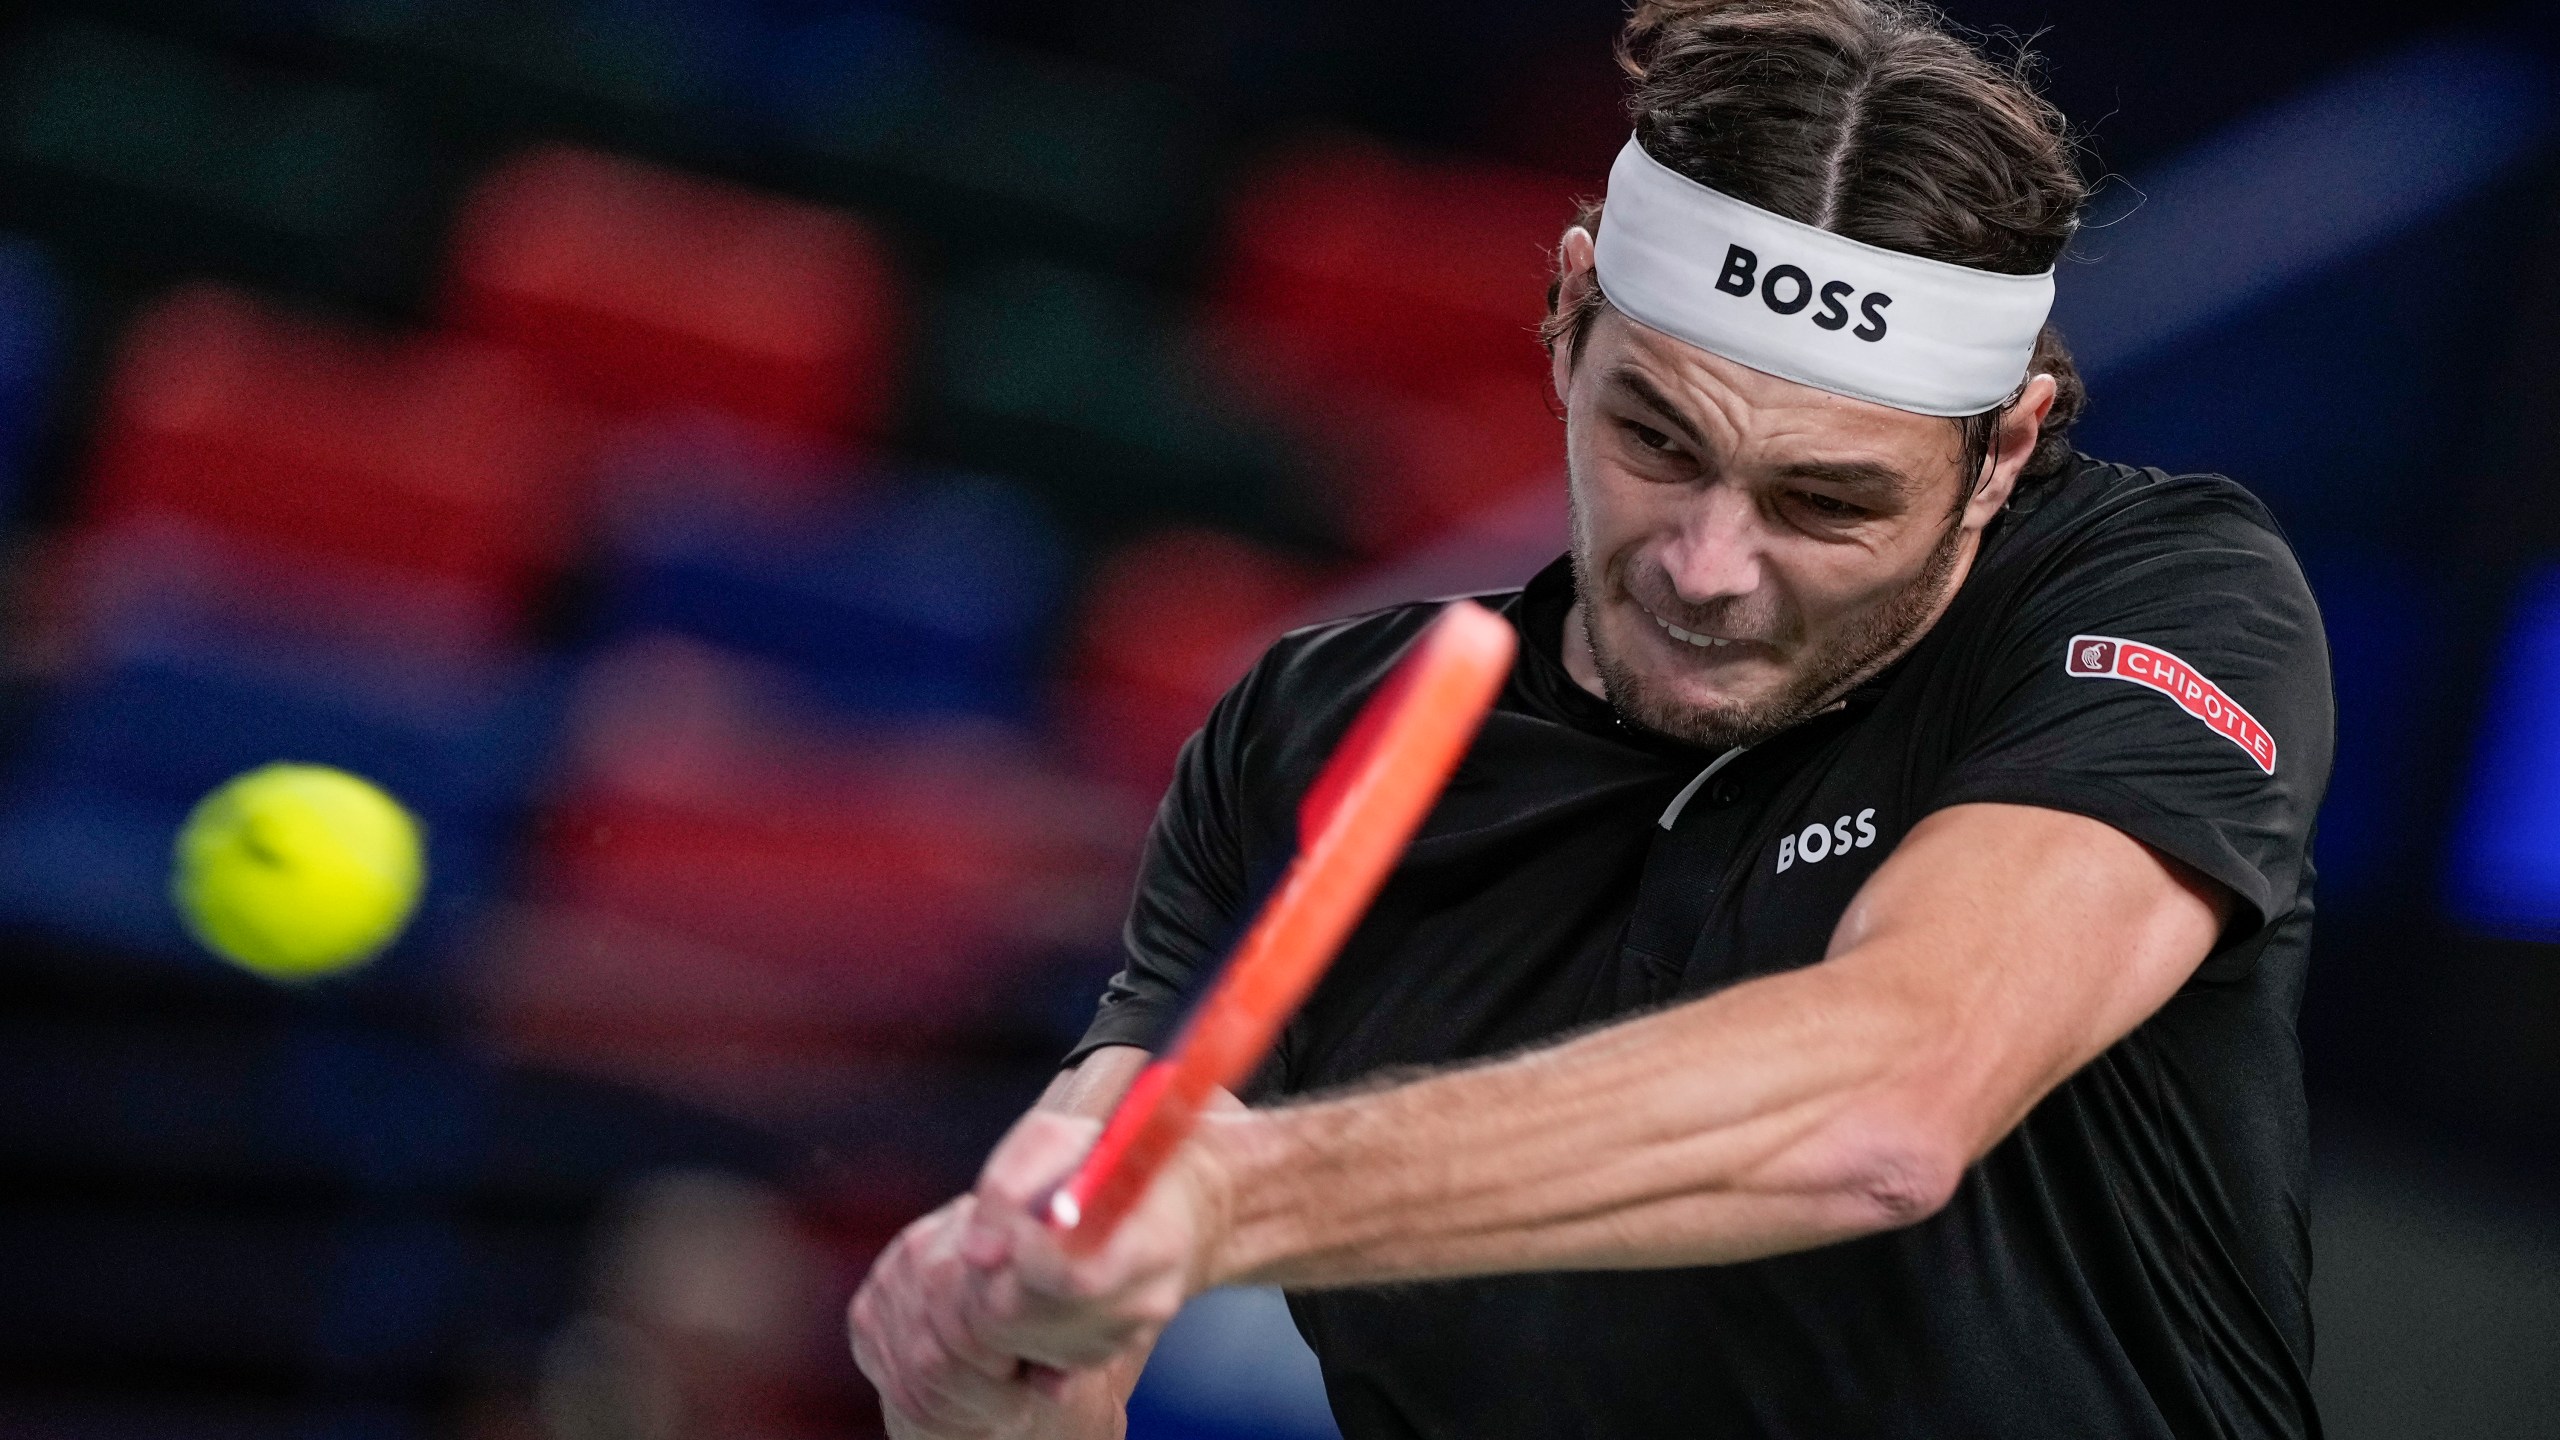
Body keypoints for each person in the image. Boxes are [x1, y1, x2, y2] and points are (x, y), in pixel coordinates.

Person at [850, 0, 2335, 1435]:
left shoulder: (2158, 596)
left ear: (2004, 450)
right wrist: (981, 1379)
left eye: (1825, 501)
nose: (1704, 570)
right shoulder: (1312, 734)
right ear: (1567, 315)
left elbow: (1890, 1101)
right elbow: (1077, 1307)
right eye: (1654, 438)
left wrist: (1233, 1197)